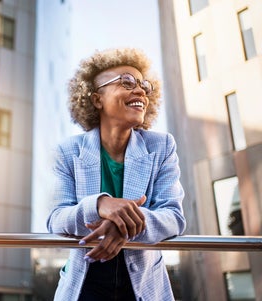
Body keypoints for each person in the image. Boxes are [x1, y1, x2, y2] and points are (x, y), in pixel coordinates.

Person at [46, 48, 186, 301]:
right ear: (97, 99)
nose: (141, 90)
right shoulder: (68, 151)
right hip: (84, 285)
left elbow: (174, 217)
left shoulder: (162, 146)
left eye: (144, 85)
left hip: (143, 286)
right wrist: (100, 205)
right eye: (127, 82)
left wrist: (126, 223)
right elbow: (56, 218)